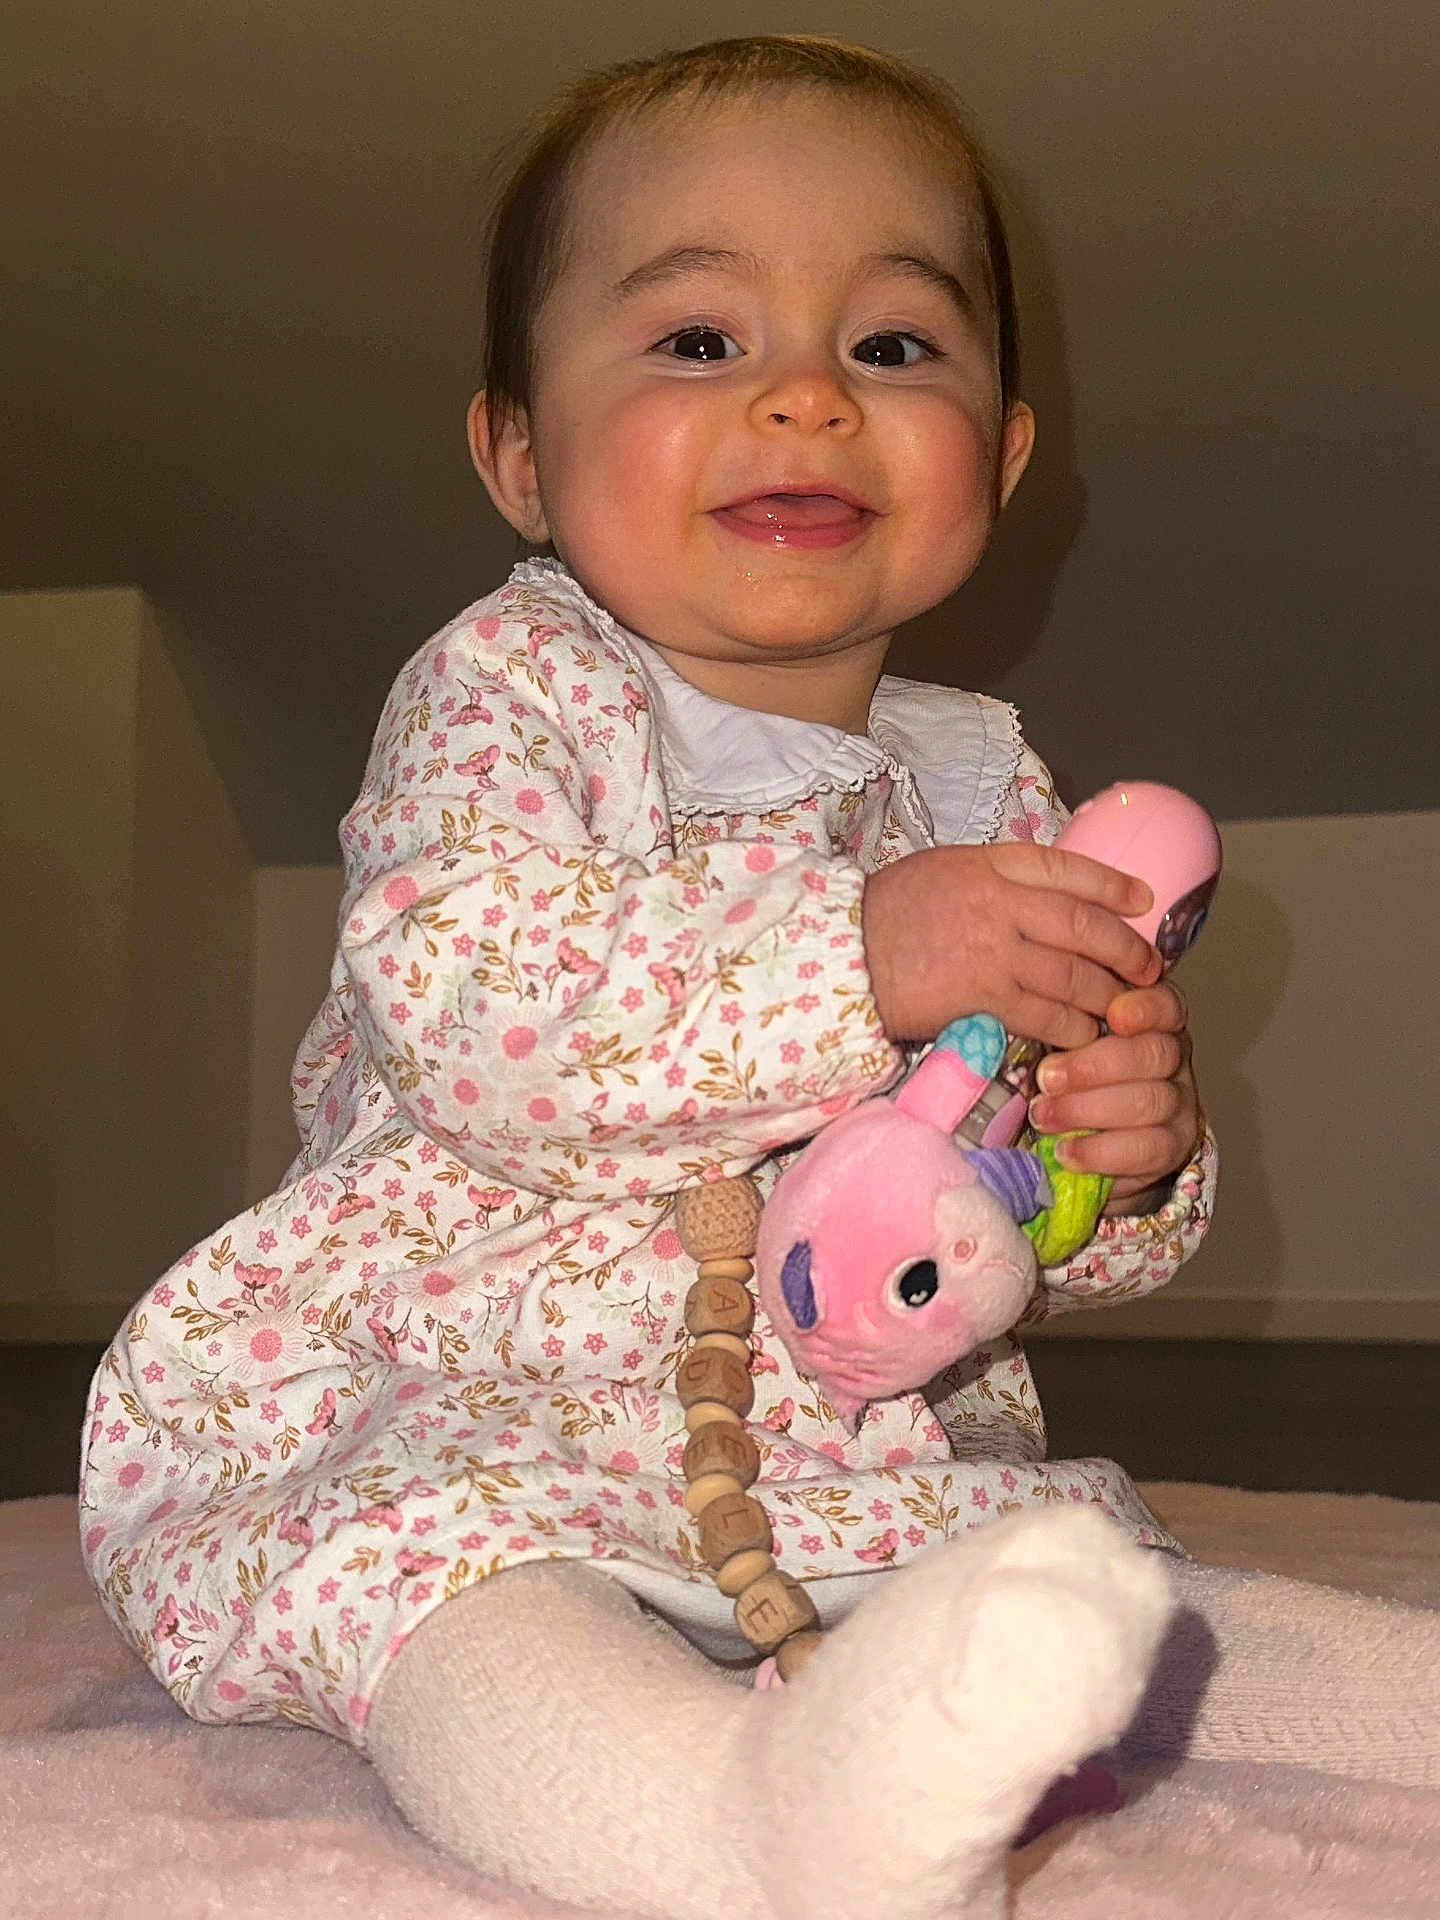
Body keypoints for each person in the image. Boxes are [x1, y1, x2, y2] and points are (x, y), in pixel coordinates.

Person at [84, 35, 1434, 1920]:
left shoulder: (983, 785)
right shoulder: (512, 691)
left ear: (1006, 456)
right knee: (470, 1627)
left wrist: (1123, 1159)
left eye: (891, 347)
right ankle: (731, 1823)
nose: (805, 399)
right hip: (479, 1410)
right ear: (520, 453)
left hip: (851, 1441)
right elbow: (481, 1018)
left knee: (1096, 1603)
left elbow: (990, 1206)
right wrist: (860, 955)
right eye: (701, 340)